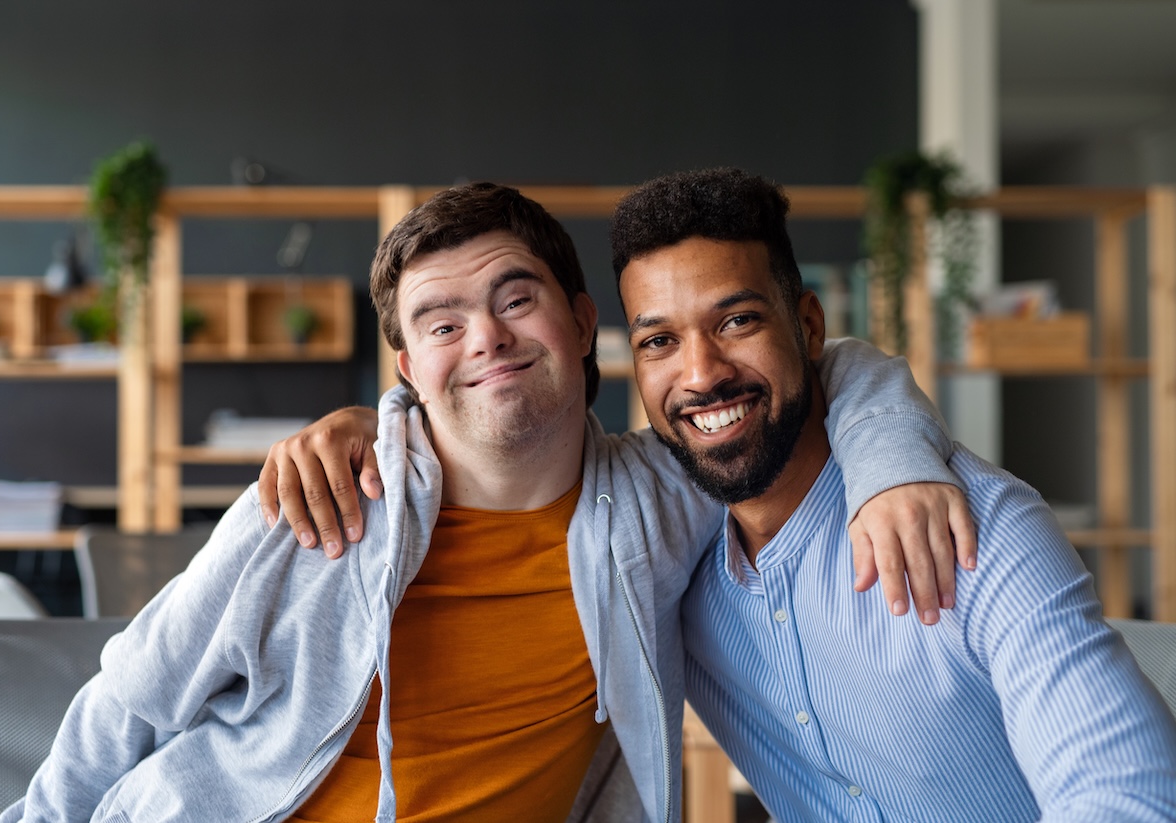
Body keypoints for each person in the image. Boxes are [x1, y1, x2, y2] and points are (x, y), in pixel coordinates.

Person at [3, 181, 967, 823]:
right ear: (408, 367)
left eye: (517, 299)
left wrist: (893, 466)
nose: (487, 340)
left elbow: (822, 364)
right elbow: (128, 703)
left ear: (587, 322)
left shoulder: (664, 498)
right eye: (442, 321)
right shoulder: (318, 503)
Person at [265, 170, 1176, 822]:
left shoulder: (978, 530)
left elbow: (1128, 796)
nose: (701, 374)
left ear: (807, 323)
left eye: (737, 320)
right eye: (659, 341)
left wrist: (895, 452)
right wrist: (375, 421)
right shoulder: (666, 546)